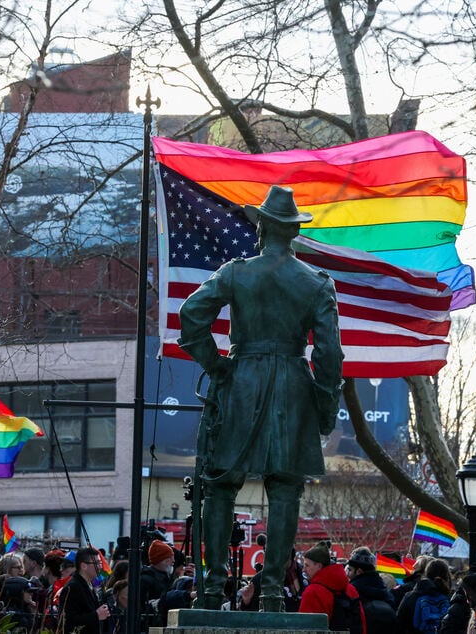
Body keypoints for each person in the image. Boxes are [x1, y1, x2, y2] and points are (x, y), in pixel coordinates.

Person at [178, 184, 344, 611]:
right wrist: (325, 407)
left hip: (241, 380)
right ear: (292, 232)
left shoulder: (236, 272)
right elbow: (329, 354)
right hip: (292, 383)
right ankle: (272, 591)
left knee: (219, 486)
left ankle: (212, 590)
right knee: (285, 488)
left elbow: (191, 315)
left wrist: (215, 365)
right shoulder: (316, 284)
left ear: (262, 228)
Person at [298, 543, 365, 634]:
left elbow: (305, 628)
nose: (303, 569)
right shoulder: (351, 589)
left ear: (319, 566)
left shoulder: (312, 592)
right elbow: (361, 622)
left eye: (307, 565)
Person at [56, 547, 110, 634]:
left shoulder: (89, 584)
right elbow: (67, 621)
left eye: (100, 563)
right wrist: (96, 615)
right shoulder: (73, 587)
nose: (100, 566)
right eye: (96, 563)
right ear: (83, 566)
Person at [346, 547, 396, 634]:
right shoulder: (386, 593)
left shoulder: (352, 592)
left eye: (350, 570)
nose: (347, 574)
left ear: (359, 571)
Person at [396, 558, 451, 634]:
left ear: (426, 574)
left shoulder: (410, 596)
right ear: (447, 576)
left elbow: (399, 625)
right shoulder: (451, 599)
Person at [139, 540, 175, 626]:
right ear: (163, 560)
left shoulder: (165, 578)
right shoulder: (145, 579)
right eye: (170, 558)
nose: (173, 561)